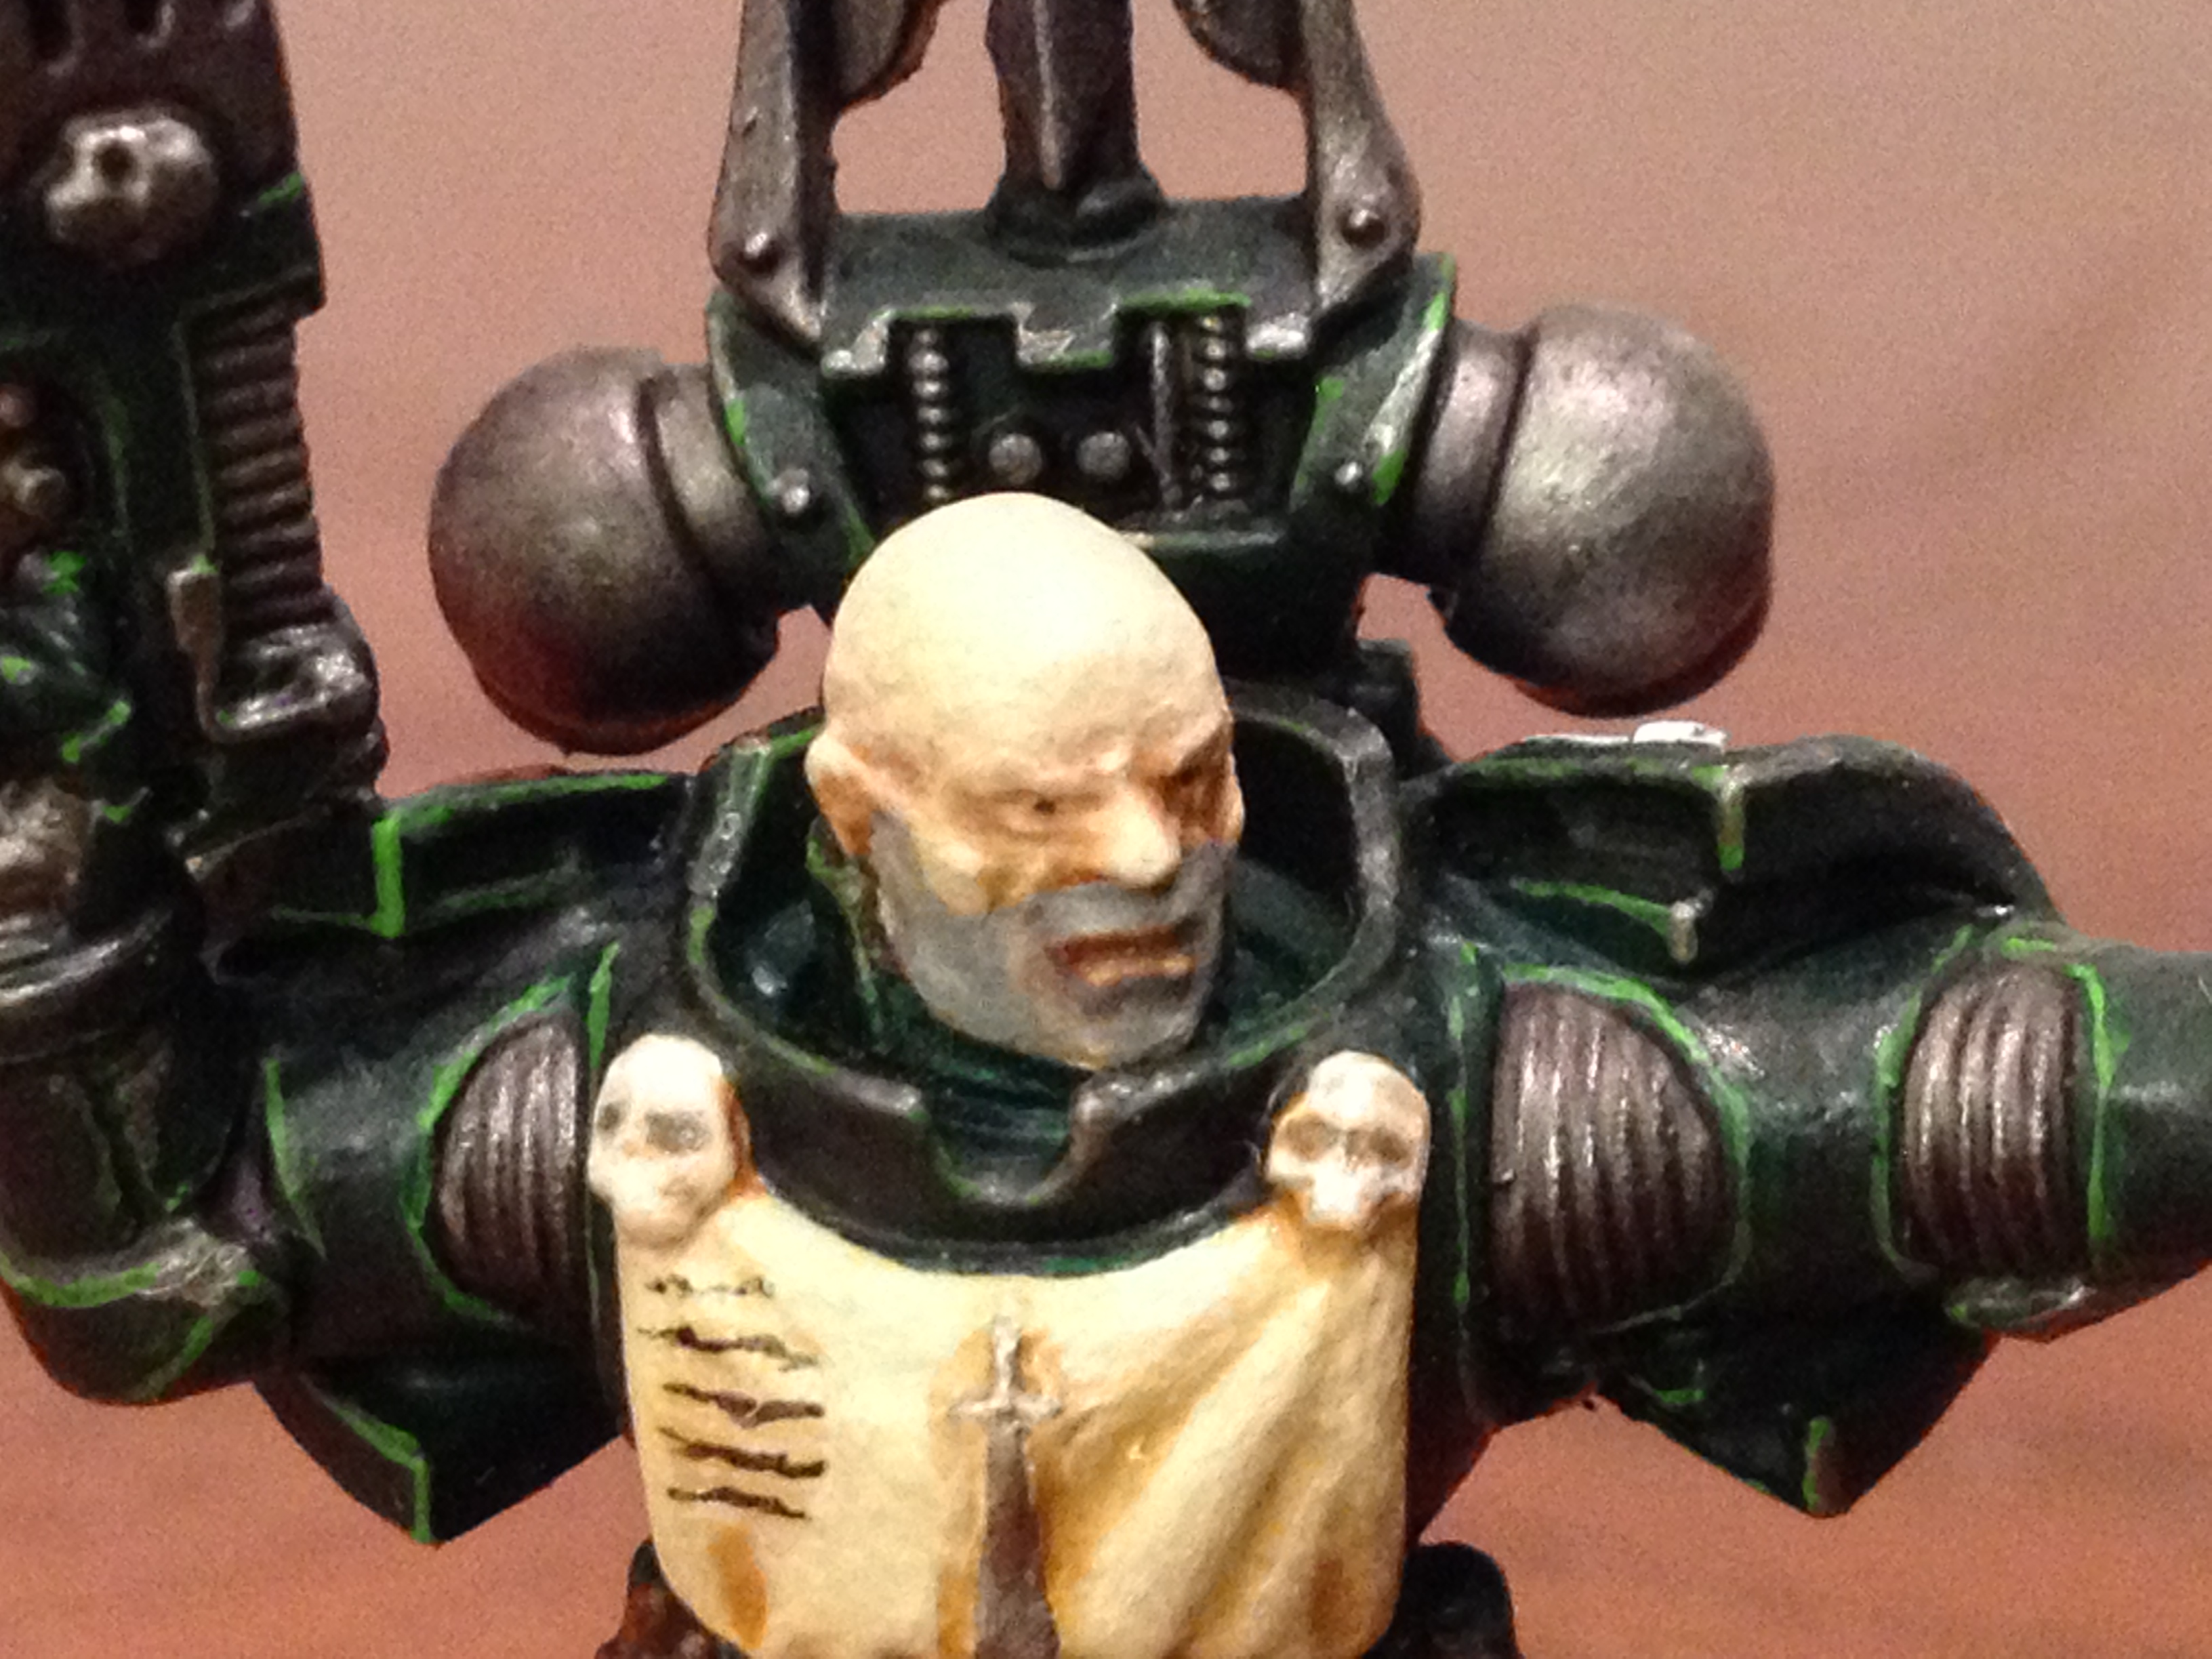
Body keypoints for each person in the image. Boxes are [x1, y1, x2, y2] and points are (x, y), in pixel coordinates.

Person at [11, 488, 2212, 1659]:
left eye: (1189, 782)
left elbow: (1980, 1111)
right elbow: (162, 1269)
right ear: (857, 820)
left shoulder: (1489, 1077)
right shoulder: (598, 1090)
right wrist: (55, 898)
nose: (1149, 869)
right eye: (1047, 815)